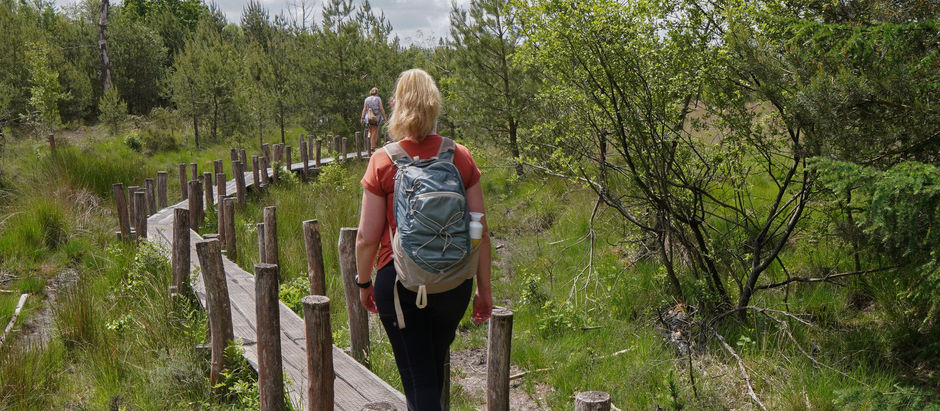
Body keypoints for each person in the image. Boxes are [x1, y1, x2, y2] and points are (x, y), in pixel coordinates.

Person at [356, 69, 493, 411]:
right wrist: (483, 289)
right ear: (434, 106)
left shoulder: (382, 161)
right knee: (430, 369)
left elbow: (365, 237)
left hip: (401, 282)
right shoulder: (459, 156)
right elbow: (480, 227)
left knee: (419, 381)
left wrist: (363, 282)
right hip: (453, 281)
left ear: (397, 106)